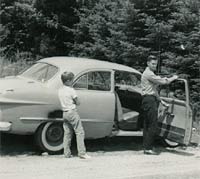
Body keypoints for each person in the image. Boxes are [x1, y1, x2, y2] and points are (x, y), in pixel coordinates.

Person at [141, 55, 178, 155]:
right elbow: (162, 81)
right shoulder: (148, 73)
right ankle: (148, 148)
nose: (154, 66)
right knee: (152, 124)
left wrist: (161, 101)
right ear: (148, 63)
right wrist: (173, 78)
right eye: (153, 64)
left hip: (148, 99)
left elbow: (153, 90)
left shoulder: (149, 73)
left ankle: (146, 147)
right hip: (149, 100)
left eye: (155, 64)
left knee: (147, 125)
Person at [58, 71, 91, 159]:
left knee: (67, 133)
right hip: (72, 112)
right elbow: (78, 102)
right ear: (68, 81)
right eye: (72, 80)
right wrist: (76, 102)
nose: (73, 82)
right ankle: (82, 153)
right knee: (79, 132)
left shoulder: (60, 90)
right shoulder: (71, 90)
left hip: (64, 113)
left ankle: (67, 153)